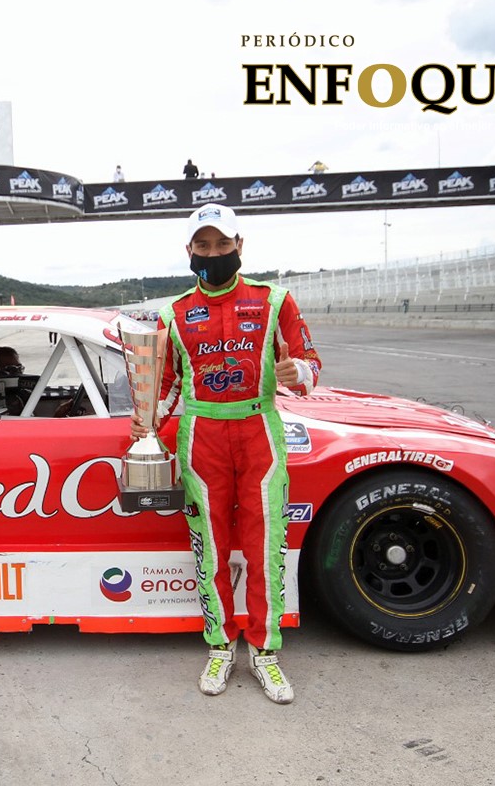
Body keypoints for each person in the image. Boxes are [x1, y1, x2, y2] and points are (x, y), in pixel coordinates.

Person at [130, 203, 322, 705]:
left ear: (240, 245)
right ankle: (220, 645)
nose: (213, 253)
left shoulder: (274, 300)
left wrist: (298, 373)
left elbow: (311, 366)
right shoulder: (173, 314)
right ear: (189, 250)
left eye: (222, 243)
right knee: (210, 548)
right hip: (202, 436)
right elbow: (166, 386)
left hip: (259, 430)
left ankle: (265, 650)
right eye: (203, 245)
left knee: (264, 547)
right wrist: (146, 421)